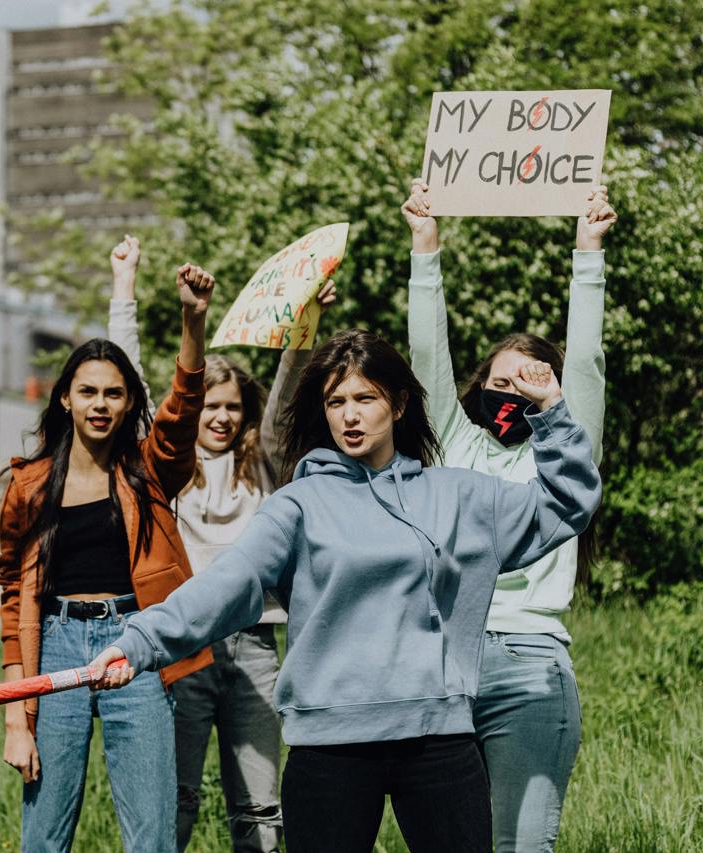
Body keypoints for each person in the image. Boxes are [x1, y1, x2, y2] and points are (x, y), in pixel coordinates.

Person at [88, 328, 602, 853]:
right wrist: (141, 641)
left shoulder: (457, 496)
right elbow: (227, 583)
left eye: (365, 399)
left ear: (398, 404)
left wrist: (551, 411)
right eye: (336, 402)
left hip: (438, 739)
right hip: (330, 747)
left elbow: (568, 502)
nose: (350, 416)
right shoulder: (298, 505)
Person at [402, 180, 615, 853]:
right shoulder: (452, 442)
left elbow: (587, 363)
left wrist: (588, 252)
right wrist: (425, 247)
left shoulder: (566, 452)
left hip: (531, 666)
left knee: (519, 845)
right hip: (444, 665)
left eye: (531, 381)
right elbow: (427, 357)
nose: (512, 392)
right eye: (501, 381)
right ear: (479, 388)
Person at [107, 234, 335, 853]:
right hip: (184, 644)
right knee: (177, 797)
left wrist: (306, 320)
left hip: (255, 646)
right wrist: (125, 283)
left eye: (232, 407)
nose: (221, 417)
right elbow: (131, 380)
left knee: (260, 805)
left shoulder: (264, 463)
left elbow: (289, 389)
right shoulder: (165, 467)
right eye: (210, 404)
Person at [0, 262, 218, 853]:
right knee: (44, 837)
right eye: (88, 392)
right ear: (65, 398)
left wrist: (193, 320)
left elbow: (182, 412)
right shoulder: (30, 485)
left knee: (151, 837)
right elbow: (13, 601)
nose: (100, 404)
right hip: (56, 647)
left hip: (135, 644)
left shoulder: (148, 470)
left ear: (128, 402)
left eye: (114, 393)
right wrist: (17, 717)